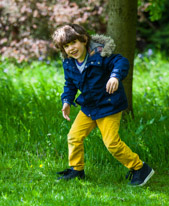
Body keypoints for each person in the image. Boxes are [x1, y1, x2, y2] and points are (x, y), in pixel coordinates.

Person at [52, 24, 154, 186]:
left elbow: (121, 61)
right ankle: (76, 170)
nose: (71, 48)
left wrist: (114, 76)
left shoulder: (100, 55)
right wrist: (66, 101)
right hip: (89, 107)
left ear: (84, 40)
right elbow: (70, 84)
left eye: (74, 43)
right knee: (74, 137)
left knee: (112, 143)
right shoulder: (69, 64)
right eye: (66, 46)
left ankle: (139, 168)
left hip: (109, 106)